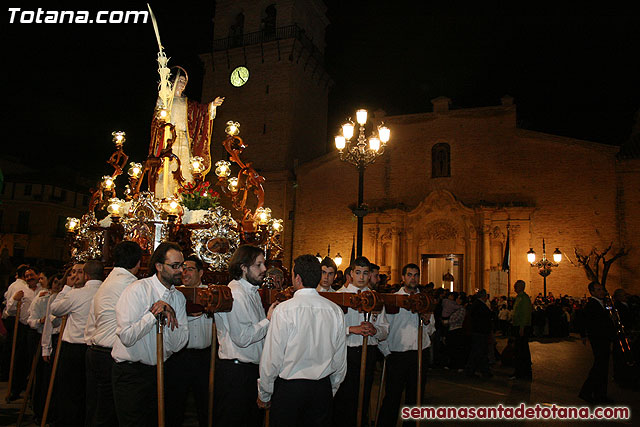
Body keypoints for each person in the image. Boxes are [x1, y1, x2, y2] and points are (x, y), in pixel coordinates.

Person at [257, 254, 347, 426]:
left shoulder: (284, 310)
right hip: (321, 388)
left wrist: (264, 393)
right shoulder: (335, 311)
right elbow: (340, 360)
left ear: (297, 278)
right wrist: (330, 389)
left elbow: (272, 358)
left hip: (290, 390)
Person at [111, 242, 188, 427]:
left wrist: (172, 317)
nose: (180, 271)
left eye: (182, 265)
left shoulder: (178, 298)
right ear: (159, 266)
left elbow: (179, 343)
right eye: (175, 266)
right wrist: (153, 315)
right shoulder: (137, 290)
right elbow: (127, 337)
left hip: (159, 372)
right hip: (131, 374)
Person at [213, 245, 278, 427]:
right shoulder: (236, 293)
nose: (264, 269)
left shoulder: (251, 292)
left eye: (263, 264)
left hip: (249, 370)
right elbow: (242, 338)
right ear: (243, 267)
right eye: (259, 265)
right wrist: (268, 320)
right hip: (236, 372)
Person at [84, 241, 142, 427]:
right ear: (138, 263)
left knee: (102, 407)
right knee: (116, 412)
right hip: (111, 354)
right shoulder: (131, 284)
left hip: (97, 350)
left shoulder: (108, 280)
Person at [151, 67, 225, 198]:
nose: (183, 83)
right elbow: (157, 120)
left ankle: (184, 197)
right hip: (168, 140)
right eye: (180, 80)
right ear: (172, 82)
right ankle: (163, 197)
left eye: (184, 81)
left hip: (184, 139)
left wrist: (212, 105)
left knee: (185, 168)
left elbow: (201, 111)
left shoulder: (188, 104)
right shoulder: (165, 101)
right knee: (167, 168)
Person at [333, 256, 389, 427]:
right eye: (358, 272)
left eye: (365, 273)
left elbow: (384, 329)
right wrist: (351, 330)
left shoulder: (375, 298)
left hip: (369, 351)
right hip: (346, 353)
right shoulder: (337, 297)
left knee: (363, 397)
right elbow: (329, 330)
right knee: (344, 398)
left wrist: (375, 330)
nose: (362, 277)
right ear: (351, 273)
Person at [378, 263, 435, 427]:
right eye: (409, 275)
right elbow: (384, 326)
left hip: (419, 353)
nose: (413, 278)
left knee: (415, 398)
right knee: (392, 397)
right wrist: (387, 353)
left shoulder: (426, 300)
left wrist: (427, 319)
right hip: (398, 354)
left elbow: (431, 330)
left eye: (416, 275)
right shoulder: (393, 300)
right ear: (403, 278)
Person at [50, 260, 103, 427]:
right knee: (90, 392)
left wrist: (66, 288)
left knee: (70, 392)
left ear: (86, 275)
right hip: (95, 349)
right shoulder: (107, 291)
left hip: (73, 349)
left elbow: (55, 309)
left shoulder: (76, 294)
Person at [166, 254, 212, 427]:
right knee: (175, 402)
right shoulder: (174, 294)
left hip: (204, 356)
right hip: (180, 356)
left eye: (190, 269)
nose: (185, 272)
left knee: (205, 402)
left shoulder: (211, 293)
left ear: (200, 273)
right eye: (182, 268)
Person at [4, 266, 42, 400]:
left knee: (34, 361)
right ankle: (15, 389)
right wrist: (15, 299)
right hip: (23, 328)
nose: (29, 277)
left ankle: (32, 392)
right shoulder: (22, 290)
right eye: (27, 276)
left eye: (31, 275)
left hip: (38, 329)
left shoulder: (42, 290)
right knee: (19, 359)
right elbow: (10, 310)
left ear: (37, 276)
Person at [579, 281, 615, 404]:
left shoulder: (603, 303)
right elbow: (586, 321)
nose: (602, 292)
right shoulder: (591, 305)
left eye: (602, 289)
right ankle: (589, 392)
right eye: (598, 290)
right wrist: (584, 335)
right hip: (599, 339)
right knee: (600, 367)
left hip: (604, 338)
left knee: (602, 367)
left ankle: (599, 394)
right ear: (592, 292)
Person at [465, 289, 493, 378]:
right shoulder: (480, 306)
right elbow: (484, 319)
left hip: (478, 331)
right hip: (480, 332)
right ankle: (476, 371)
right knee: (479, 352)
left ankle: (480, 370)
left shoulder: (476, 305)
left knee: (478, 352)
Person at [509, 279, 532, 380]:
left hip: (521, 327)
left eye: (516, 286)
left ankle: (522, 373)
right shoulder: (518, 297)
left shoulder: (525, 298)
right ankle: (519, 372)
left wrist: (522, 327)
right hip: (517, 326)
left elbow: (525, 314)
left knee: (522, 351)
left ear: (521, 287)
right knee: (519, 350)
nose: (514, 287)